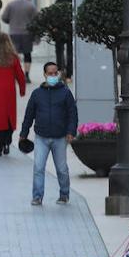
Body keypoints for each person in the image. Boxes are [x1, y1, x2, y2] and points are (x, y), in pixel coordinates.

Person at [19, 62, 77, 206]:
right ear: (44, 75)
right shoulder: (37, 94)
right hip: (41, 137)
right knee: (38, 167)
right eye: (50, 73)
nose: (53, 76)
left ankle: (64, 194)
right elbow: (29, 115)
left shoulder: (65, 92)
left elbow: (72, 114)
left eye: (55, 73)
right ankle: (37, 196)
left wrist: (71, 131)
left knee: (62, 169)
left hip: (60, 137)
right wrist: (23, 133)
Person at [1, 0, 38, 66]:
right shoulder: (31, 5)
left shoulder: (10, 4)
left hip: (14, 33)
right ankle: (26, 75)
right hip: (27, 33)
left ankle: (14, 72)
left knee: (14, 54)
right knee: (27, 54)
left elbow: (4, 17)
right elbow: (36, 19)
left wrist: (11, 22)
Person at [54, 0, 73, 78]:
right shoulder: (75, 0)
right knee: (70, 51)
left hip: (60, 29)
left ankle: (61, 70)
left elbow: (53, 14)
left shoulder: (59, 0)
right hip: (71, 29)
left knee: (59, 50)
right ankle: (69, 73)